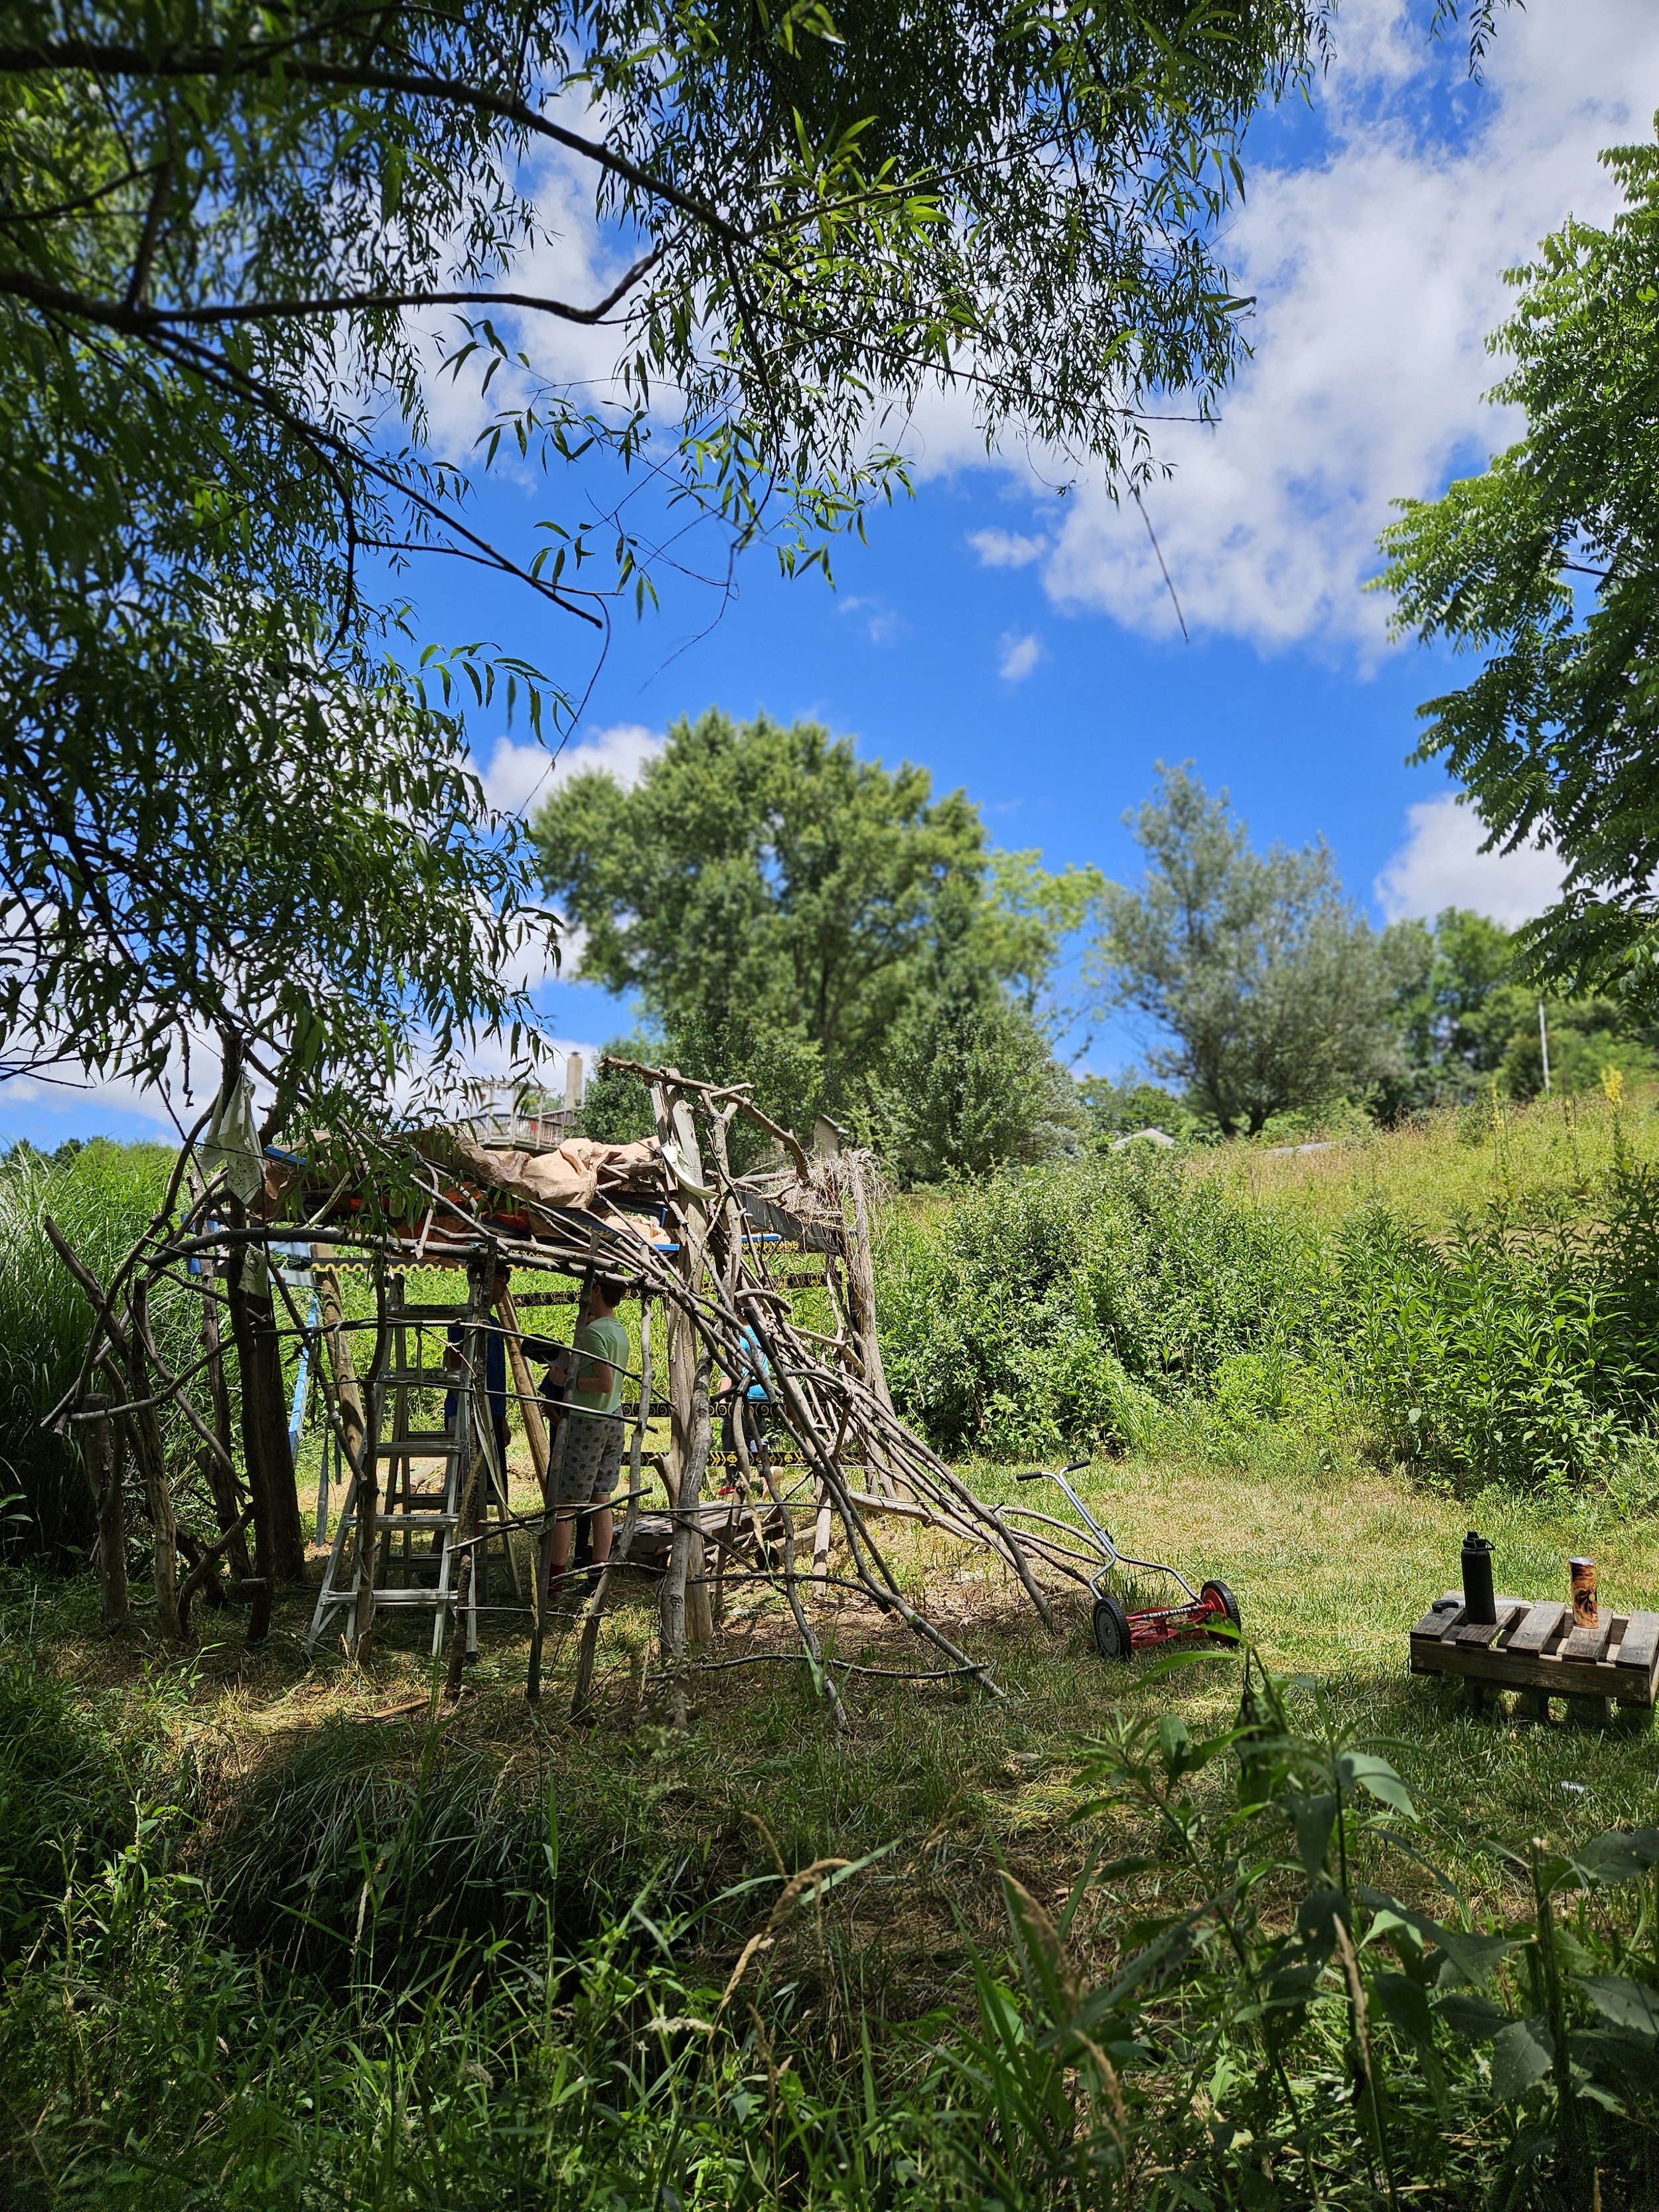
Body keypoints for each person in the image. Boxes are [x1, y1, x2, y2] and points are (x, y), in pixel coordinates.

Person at [541, 1272, 631, 1597]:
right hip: (613, 1417)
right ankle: (598, 1574)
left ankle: (554, 1580)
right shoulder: (618, 1331)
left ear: (596, 1290)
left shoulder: (593, 1333)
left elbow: (604, 1382)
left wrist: (568, 1380)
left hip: (587, 1421)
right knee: (600, 1498)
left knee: (565, 1502)